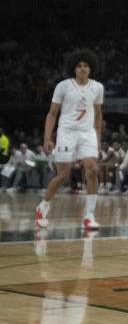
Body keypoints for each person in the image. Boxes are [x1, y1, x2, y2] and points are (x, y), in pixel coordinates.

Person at [36, 49, 103, 231]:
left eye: (86, 66)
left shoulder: (97, 87)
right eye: (79, 66)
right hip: (66, 132)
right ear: (74, 69)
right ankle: (43, 206)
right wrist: (48, 138)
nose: (82, 69)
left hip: (87, 133)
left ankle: (89, 215)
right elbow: (52, 114)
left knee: (91, 169)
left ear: (91, 68)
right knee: (63, 175)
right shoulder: (63, 86)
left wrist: (97, 138)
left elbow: (98, 114)